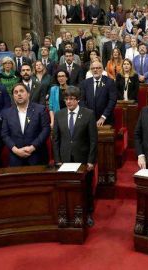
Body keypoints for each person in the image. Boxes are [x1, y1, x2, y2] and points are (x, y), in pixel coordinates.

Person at [52, 86, 97, 227]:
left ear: (78, 99)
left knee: (86, 188)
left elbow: (93, 140)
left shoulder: (88, 114)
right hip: (65, 159)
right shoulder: (59, 114)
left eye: (71, 99)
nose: (69, 102)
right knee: (67, 188)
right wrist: (57, 159)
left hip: (83, 159)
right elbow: (56, 139)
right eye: (66, 99)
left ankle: (88, 213)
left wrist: (91, 161)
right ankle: (70, 213)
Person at [1, 83, 51, 166]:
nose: (19, 94)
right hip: (16, 158)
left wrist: (32, 147)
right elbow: (4, 135)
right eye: (16, 92)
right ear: (13, 96)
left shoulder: (40, 109)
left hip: (37, 155)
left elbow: (46, 130)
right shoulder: (7, 113)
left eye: (21, 91)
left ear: (28, 94)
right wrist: (16, 150)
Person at [80, 61, 117, 126]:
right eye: (93, 68)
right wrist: (88, 115)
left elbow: (112, 101)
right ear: (90, 70)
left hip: (106, 119)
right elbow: (82, 101)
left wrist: (103, 116)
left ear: (102, 70)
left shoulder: (109, 82)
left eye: (98, 68)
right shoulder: (85, 83)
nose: (95, 70)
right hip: (89, 119)